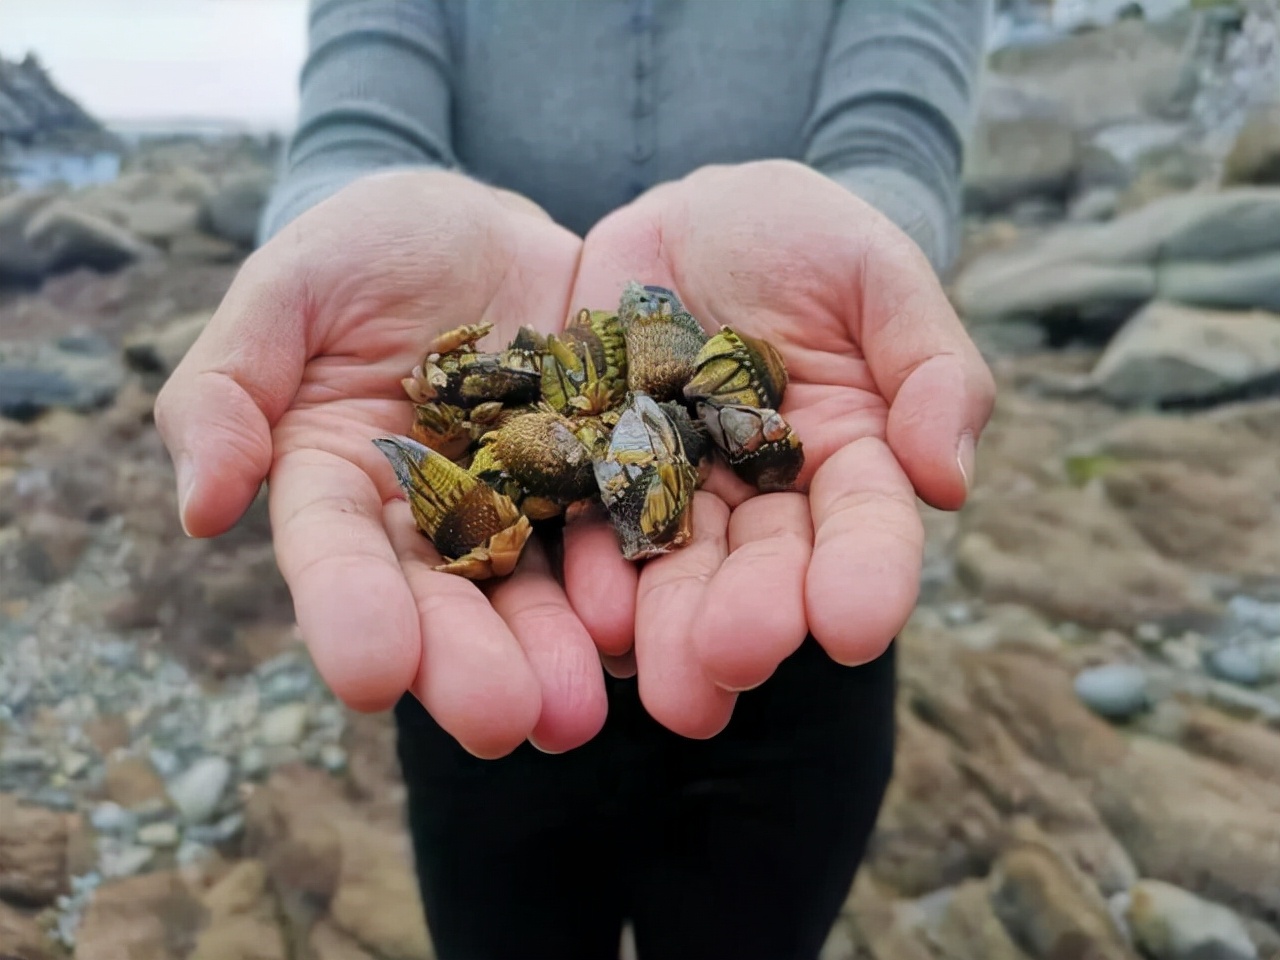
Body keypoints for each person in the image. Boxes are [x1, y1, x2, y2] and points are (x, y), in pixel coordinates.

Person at [155, 2, 996, 957]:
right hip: (494, 642)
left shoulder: (670, 404)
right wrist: (350, 227)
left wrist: (862, 243)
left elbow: (896, 137)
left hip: (792, 617)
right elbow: (360, 126)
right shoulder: (551, 420)